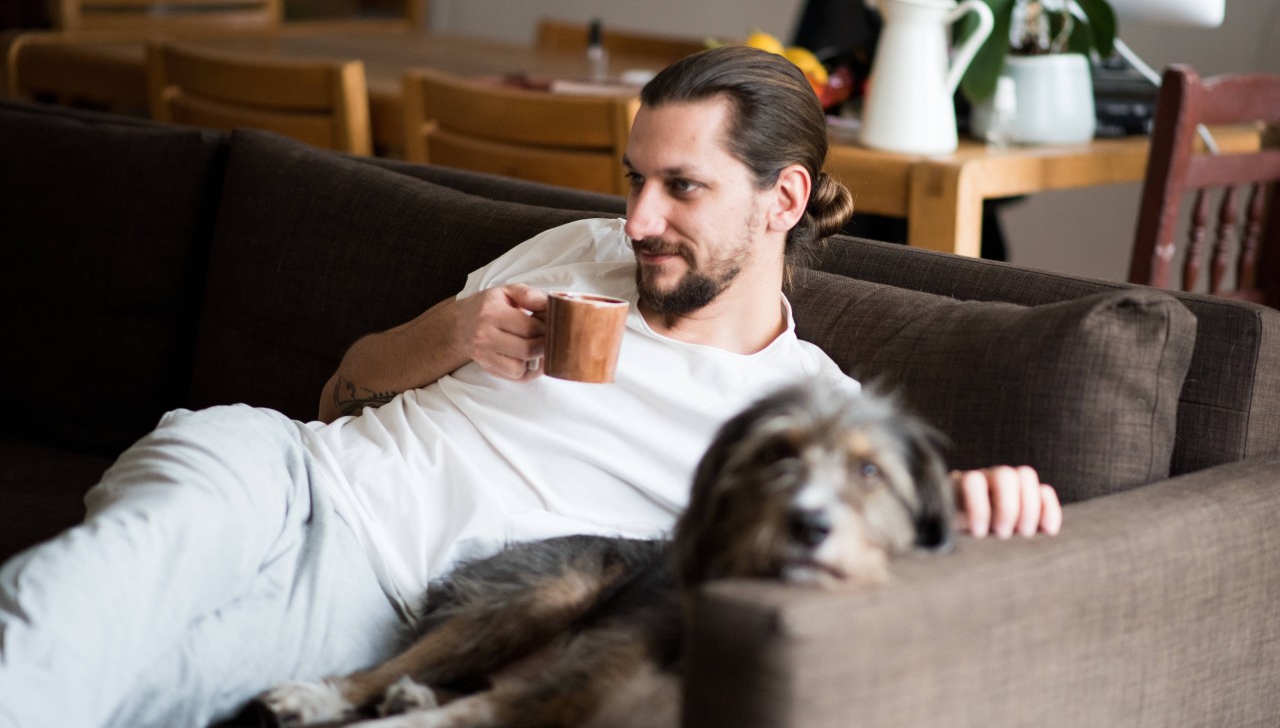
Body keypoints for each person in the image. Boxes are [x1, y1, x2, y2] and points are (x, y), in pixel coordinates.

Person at [0, 45, 1060, 728]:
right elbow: (343, 387)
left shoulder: (798, 408)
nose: (639, 219)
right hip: (275, 466)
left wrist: (981, 500)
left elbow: (870, 524)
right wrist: (456, 331)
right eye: (634, 179)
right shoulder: (578, 246)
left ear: (781, 198)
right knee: (86, 598)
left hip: (381, 601)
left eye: (680, 187)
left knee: (139, 684)